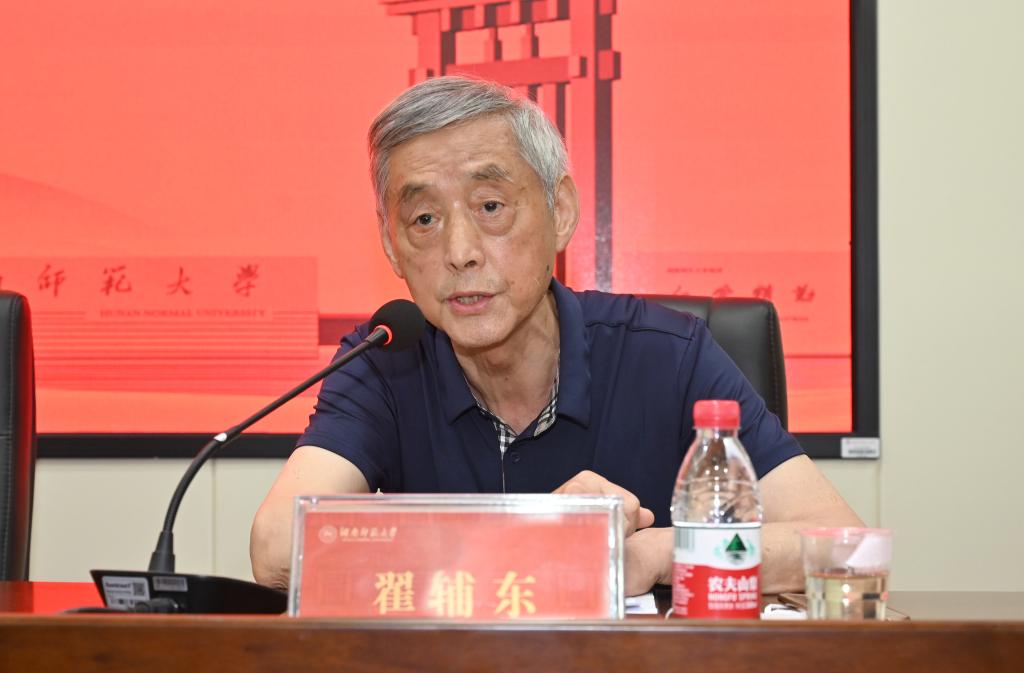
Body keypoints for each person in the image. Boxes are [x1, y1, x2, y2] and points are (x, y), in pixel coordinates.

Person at [250, 76, 862, 595]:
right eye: (425, 219)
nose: (460, 252)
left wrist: (655, 554)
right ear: (392, 245)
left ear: (561, 211)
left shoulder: (668, 355)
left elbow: (845, 547)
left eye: (491, 207)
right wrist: (539, 537)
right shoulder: (384, 360)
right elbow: (276, 549)